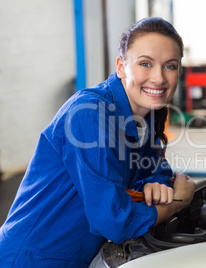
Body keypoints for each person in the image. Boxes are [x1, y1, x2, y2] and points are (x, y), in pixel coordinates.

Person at [0, 17, 195, 267]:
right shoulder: (89, 114)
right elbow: (112, 220)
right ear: (121, 67)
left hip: (78, 257)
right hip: (31, 259)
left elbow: (156, 169)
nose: (158, 78)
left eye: (170, 66)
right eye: (145, 63)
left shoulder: (147, 113)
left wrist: (156, 184)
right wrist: (176, 202)